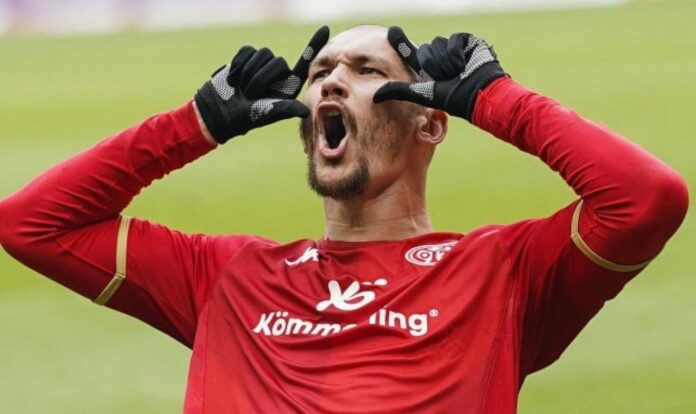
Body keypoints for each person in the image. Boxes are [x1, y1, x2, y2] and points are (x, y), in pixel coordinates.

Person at [0, 24, 688, 413]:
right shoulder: (225, 275)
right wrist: (193, 124)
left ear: (430, 123)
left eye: (364, 70)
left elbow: (645, 199)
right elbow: (32, 224)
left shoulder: (504, 275)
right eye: (323, 70)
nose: (330, 80)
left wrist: (496, 99)